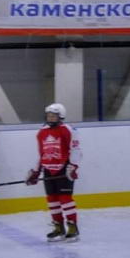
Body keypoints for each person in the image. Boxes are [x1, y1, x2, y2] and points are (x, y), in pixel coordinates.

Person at [25, 103, 80, 241]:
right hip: (48, 170)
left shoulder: (68, 130)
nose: (50, 118)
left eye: (53, 116)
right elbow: (41, 154)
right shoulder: (42, 132)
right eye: (48, 115)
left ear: (61, 116)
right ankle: (59, 227)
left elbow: (75, 150)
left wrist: (73, 166)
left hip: (64, 169)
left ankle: (72, 226)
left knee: (65, 199)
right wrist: (36, 171)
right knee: (52, 199)